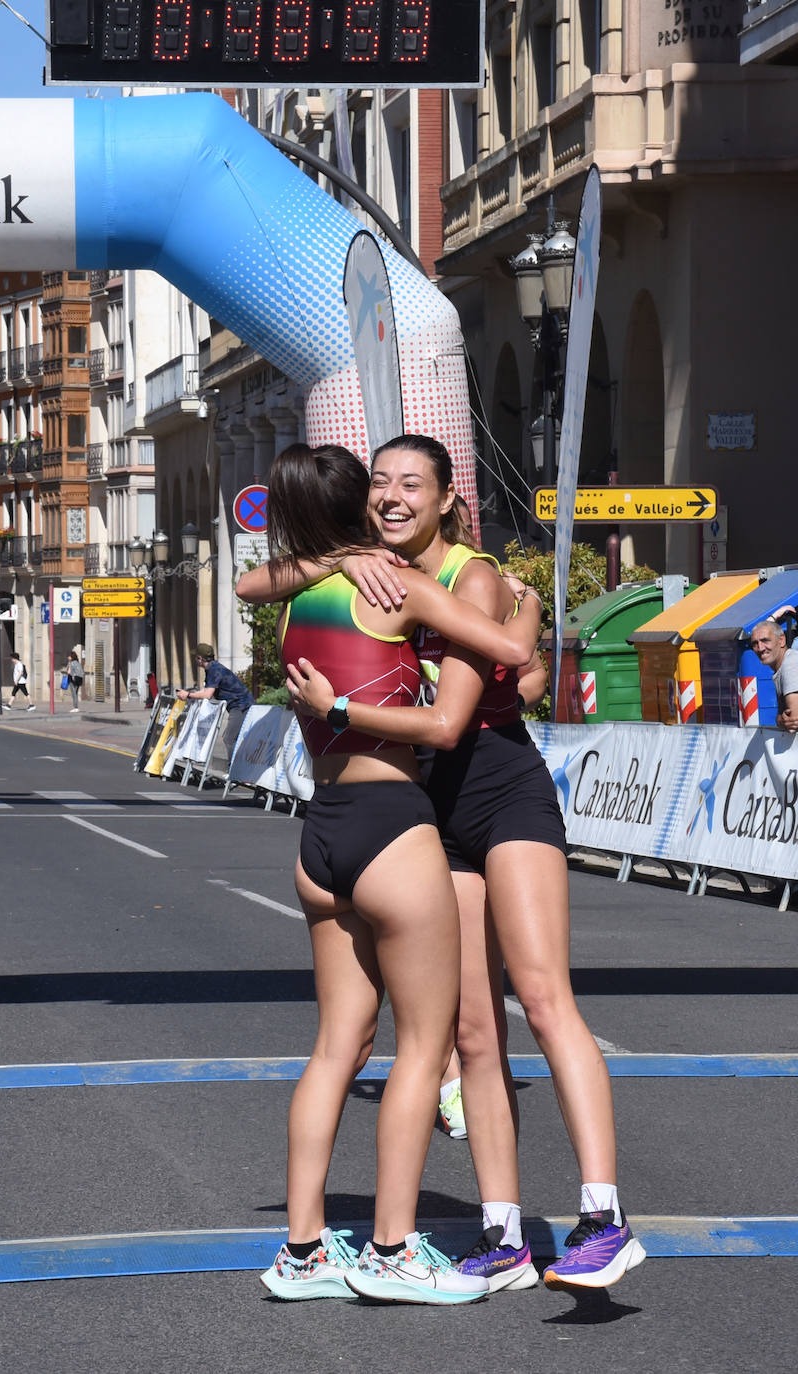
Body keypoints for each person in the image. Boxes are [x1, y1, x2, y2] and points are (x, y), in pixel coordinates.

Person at [283, 434, 645, 1295]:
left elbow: (487, 696)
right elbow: (264, 579)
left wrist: (344, 711)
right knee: (472, 1033)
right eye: (380, 484)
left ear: (449, 498)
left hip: (499, 790)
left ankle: (604, 1218)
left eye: (413, 484)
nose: (393, 497)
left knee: (545, 994)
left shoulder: (468, 575)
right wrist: (346, 556)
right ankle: (504, 1232)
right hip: (427, 815)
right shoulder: (369, 573)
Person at [236, 442, 539, 1305]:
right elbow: (504, 656)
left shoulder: (295, 597)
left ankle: (301, 1253)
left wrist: (330, 552)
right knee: (422, 1049)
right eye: (378, 491)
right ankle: (393, 1250)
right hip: (390, 830)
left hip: (319, 835)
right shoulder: (397, 588)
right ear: (360, 510)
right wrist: (527, 606)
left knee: (337, 1047)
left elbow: (248, 583)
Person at [175, 644, 254, 759]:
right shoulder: (212, 668)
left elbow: (207, 694)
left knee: (229, 738)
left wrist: (188, 695)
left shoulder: (214, 669)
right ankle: (238, 767)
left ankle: (233, 770)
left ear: (200, 659)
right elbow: (208, 690)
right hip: (239, 704)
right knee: (232, 737)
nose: (195, 660)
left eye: (196, 657)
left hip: (241, 705)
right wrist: (192, 694)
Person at [751, 615, 798, 732]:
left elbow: (793, 721)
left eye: (765, 641)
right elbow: (784, 719)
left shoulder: (791, 664)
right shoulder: (783, 665)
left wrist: (781, 720)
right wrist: (780, 719)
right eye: (755, 643)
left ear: (781, 640)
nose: (760, 648)